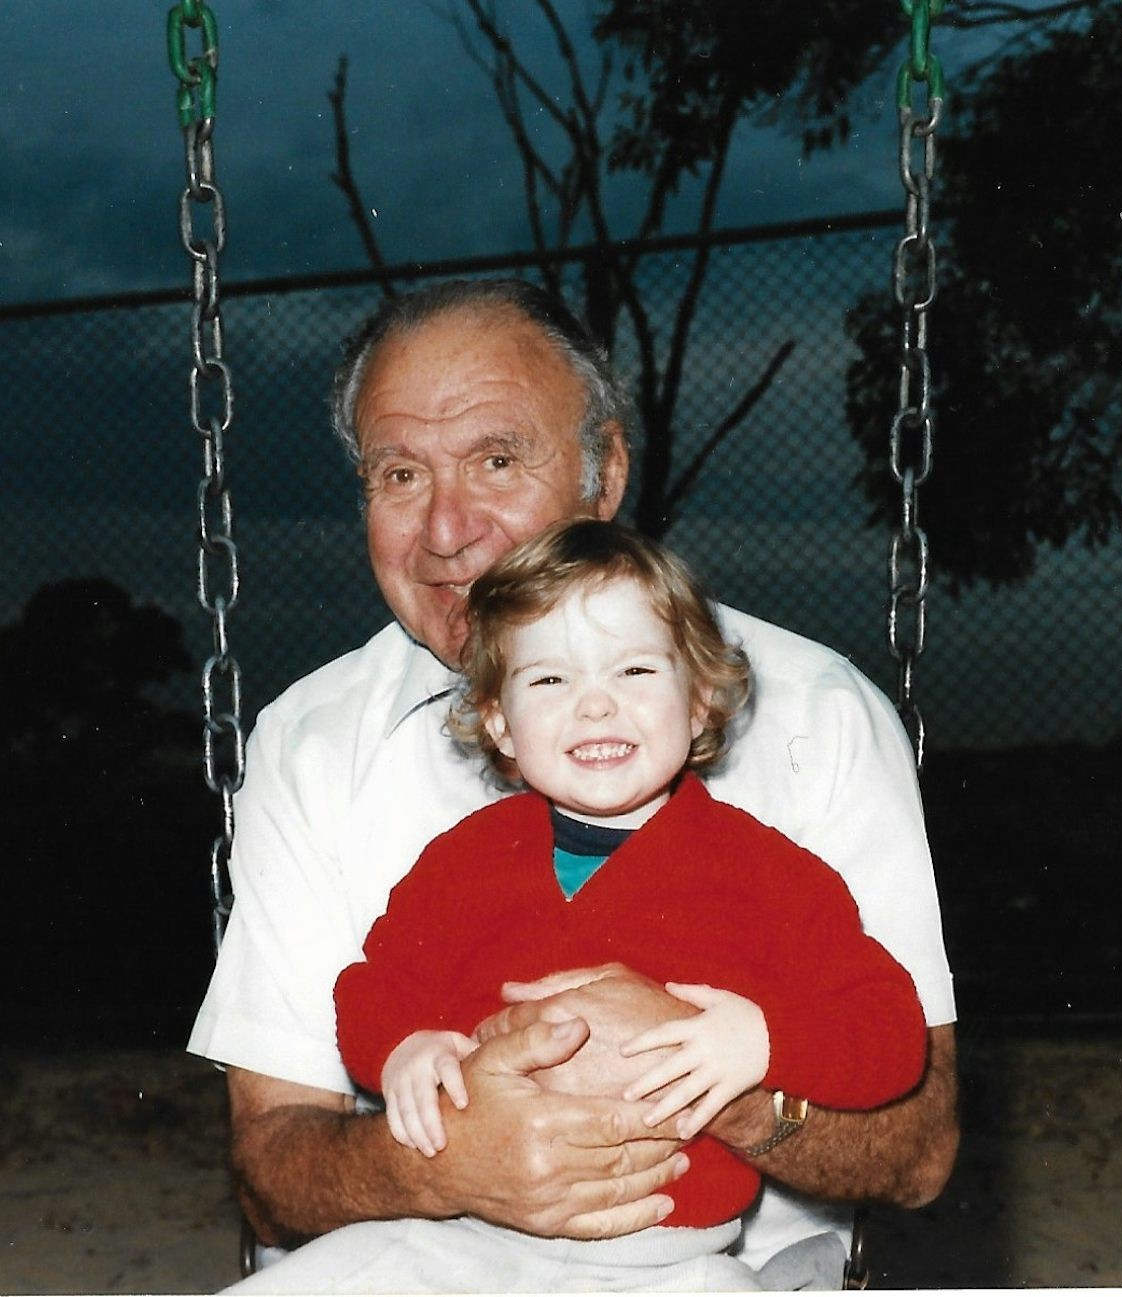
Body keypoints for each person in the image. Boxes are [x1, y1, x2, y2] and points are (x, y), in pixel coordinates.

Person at [188, 279, 958, 1287]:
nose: (447, 529)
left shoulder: (811, 712)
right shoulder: (314, 740)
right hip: (441, 1252)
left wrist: (707, 1073)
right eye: (401, 474)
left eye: (497, 459)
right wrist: (445, 1157)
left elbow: (918, 1147)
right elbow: (275, 1163)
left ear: (605, 477)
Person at [250, 519, 927, 1292]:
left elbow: (890, 1029)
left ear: (701, 696)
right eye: (549, 680)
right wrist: (402, 1047)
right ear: (500, 719)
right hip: (456, 1236)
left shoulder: (772, 876)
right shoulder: (462, 862)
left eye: (635, 671)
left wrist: (766, 1042)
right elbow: (374, 985)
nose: (596, 707)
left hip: (672, 1254)